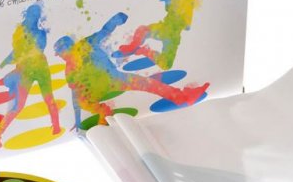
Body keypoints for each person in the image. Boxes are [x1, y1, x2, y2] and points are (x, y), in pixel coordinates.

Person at [55, 12, 208, 129]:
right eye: (59, 54)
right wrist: (77, 120)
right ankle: (104, 112)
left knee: (148, 84)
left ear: (67, 48)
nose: (61, 56)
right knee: (83, 100)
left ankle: (181, 97)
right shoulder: (70, 69)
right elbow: (75, 94)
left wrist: (115, 20)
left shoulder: (85, 45)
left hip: (115, 78)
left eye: (61, 52)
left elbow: (104, 31)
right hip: (100, 89)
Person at [118, 0, 220, 70]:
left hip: (172, 35)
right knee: (142, 30)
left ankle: (144, 50)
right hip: (165, 28)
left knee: (166, 65)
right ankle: (134, 46)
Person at [0, 3, 61, 148]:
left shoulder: (40, 34)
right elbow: (16, 52)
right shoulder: (19, 33)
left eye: (36, 15)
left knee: (49, 100)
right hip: (25, 71)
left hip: (41, 69)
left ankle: (56, 127)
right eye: (31, 14)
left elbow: (36, 49)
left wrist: (12, 58)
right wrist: (4, 62)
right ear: (26, 15)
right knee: (18, 106)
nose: (33, 17)